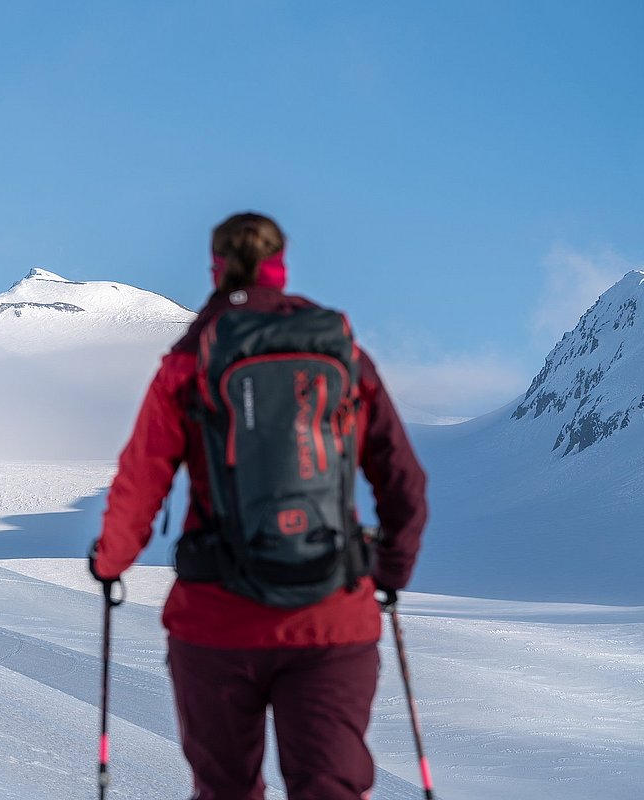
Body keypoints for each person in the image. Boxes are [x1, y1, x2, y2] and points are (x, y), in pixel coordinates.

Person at [89, 212, 427, 800]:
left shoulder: (190, 360)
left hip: (216, 622)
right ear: (281, 263)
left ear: (216, 266)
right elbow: (403, 481)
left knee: (226, 790)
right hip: (331, 616)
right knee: (331, 789)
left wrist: (111, 560)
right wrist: (389, 570)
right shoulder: (338, 351)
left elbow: (142, 479)